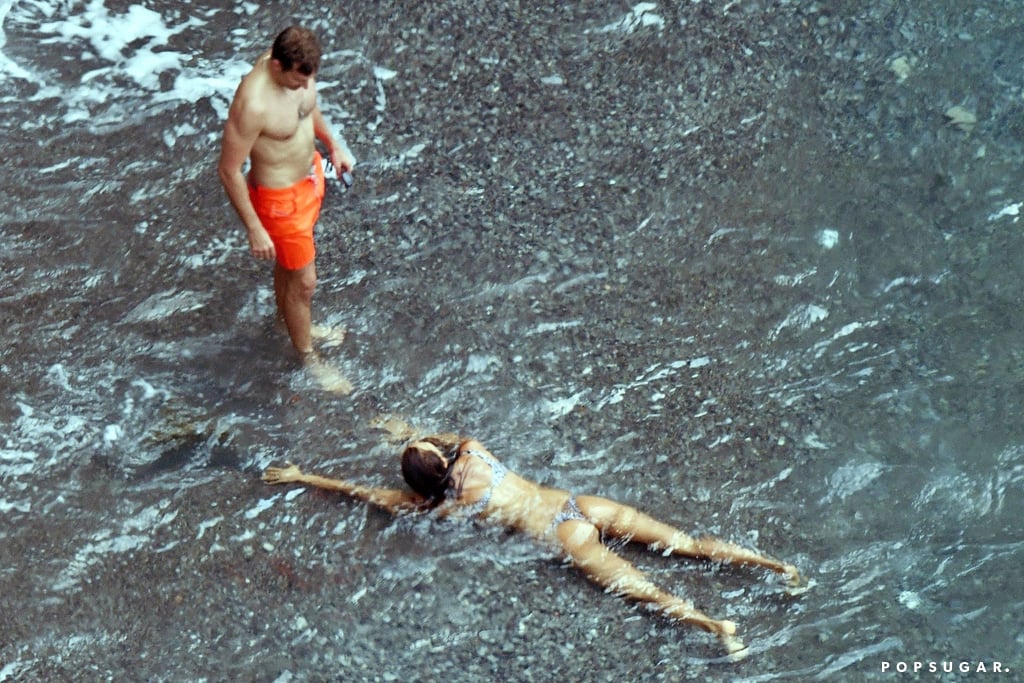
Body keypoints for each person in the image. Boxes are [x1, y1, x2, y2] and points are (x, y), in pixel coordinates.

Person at [262, 434, 802, 655]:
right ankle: (778, 567)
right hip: (580, 504)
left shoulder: (436, 506)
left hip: (561, 536)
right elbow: (440, 438)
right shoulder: (474, 451)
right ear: (442, 455)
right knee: (686, 543)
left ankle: (717, 628)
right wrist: (407, 434)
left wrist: (301, 475)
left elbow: (363, 493)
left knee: (647, 592)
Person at [218, 26, 354, 371]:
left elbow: (309, 110)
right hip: (280, 202)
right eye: (297, 81)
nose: (304, 87)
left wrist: (332, 145)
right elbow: (229, 171)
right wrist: (254, 228)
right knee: (306, 283)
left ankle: (287, 321)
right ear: (276, 66)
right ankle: (308, 357)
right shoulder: (252, 105)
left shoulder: (300, 72)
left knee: (290, 270)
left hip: (310, 178)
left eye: (309, 80)